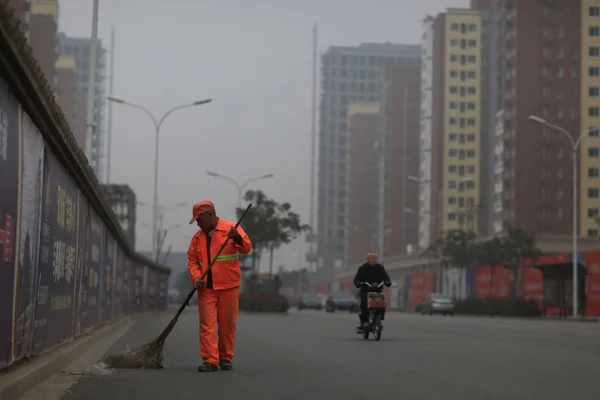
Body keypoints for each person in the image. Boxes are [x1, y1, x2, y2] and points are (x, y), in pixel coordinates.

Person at [187, 200, 252, 372]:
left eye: (199, 220)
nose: (198, 224)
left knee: (227, 324)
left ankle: (225, 357)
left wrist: (237, 238)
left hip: (229, 286)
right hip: (206, 288)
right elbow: (193, 261)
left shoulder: (231, 229)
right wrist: (196, 277)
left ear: (210, 215)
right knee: (206, 325)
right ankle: (210, 360)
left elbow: (246, 248)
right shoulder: (197, 238)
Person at [353, 252, 391, 333]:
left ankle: (380, 318)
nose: (374, 260)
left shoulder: (380, 268)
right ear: (368, 259)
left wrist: (387, 281)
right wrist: (358, 283)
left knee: (382, 304)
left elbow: (385, 276)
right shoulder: (362, 268)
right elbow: (357, 278)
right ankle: (365, 322)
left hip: (377, 291)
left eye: (375, 258)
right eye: (372, 258)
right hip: (365, 291)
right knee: (364, 304)